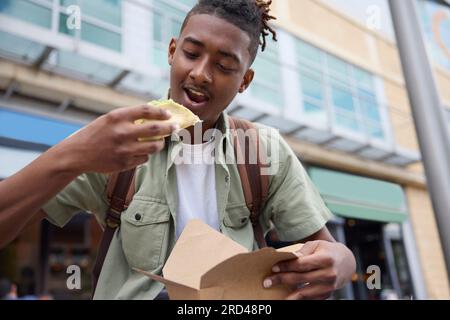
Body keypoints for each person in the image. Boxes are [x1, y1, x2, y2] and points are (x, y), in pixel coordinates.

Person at [0, 0, 356, 300]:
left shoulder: (263, 150)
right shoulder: (121, 140)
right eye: (191, 53)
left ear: (244, 80)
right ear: (172, 51)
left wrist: (338, 263)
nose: (201, 73)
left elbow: (332, 251)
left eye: (224, 65)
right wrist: (71, 154)